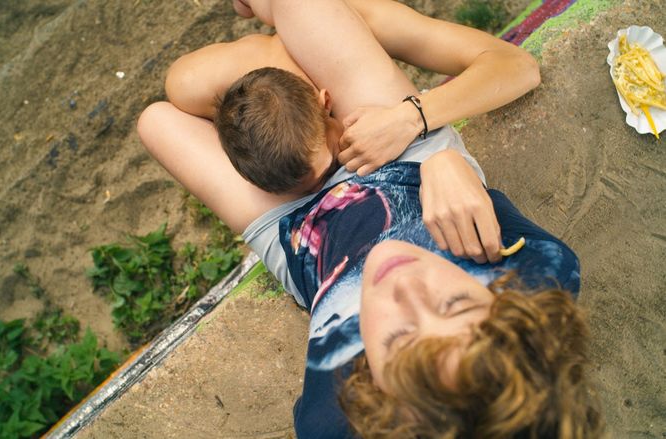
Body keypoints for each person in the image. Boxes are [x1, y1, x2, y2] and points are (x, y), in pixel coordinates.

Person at [138, 0, 603, 437]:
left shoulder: (330, 422)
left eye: (399, 339)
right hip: (401, 158)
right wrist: (435, 150)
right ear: (510, 309)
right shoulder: (543, 273)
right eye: (455, 305)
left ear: (371, 395)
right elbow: (518, 68)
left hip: (301, 231)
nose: (402, 284)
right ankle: (301, 48)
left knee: (161, 116)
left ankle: (290, 56)